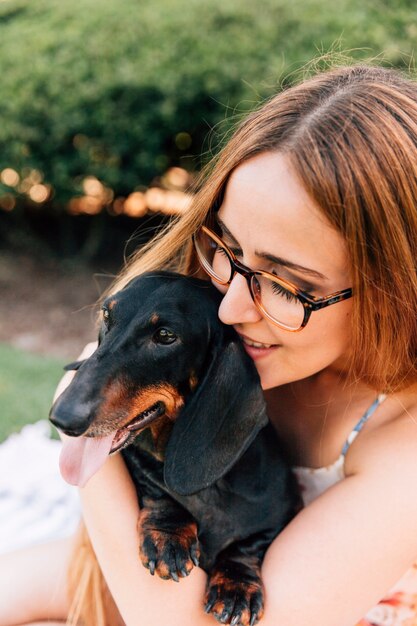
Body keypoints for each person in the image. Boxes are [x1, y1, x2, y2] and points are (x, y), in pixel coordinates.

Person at [1, 62, 417, 626]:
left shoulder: (404, 447)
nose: (229, 308)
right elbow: (83, 574)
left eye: (286, 284)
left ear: (394, 295)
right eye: (229, 248)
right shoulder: (202, 323)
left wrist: (90, 451)